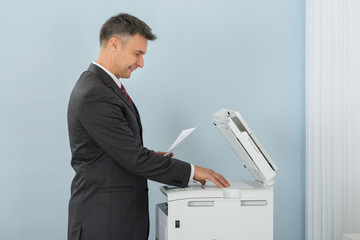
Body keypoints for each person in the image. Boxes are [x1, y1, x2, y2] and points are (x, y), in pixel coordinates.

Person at [67, 13, 229, 240]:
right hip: (104, 223)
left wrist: (153, 156)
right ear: (114, 44)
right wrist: (192, 171)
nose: (141, 63)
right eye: (137, 54)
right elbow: (133, 157)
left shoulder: (104, 87)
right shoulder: (96, 93)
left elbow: (116, 149)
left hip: (118, 219)